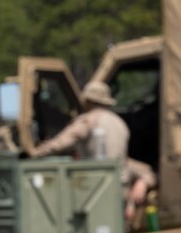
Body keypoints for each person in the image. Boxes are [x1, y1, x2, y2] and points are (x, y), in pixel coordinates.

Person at [33, 80, 157, 224]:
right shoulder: (120, 123)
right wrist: (142, 181)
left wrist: (34, 153)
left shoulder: (88, 120)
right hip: (120, 189)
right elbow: (123, 161)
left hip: (96, 189)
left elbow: (59, 144)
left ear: (87, 100)